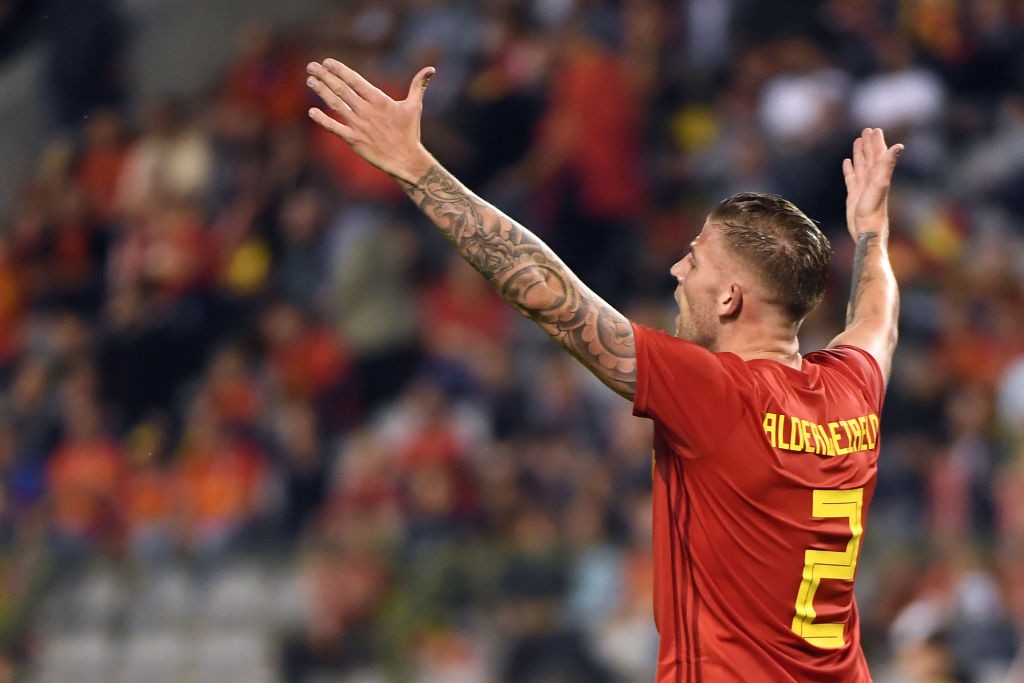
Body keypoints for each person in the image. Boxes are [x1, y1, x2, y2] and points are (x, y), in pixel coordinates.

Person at [305, 57, 902, 682]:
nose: (677, 272)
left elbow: (547, 295)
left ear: (730, 299)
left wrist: (415, 168)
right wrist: (872, 234)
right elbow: (878, 320)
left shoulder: (717, 392)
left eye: (695, 261)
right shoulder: (850, 392)